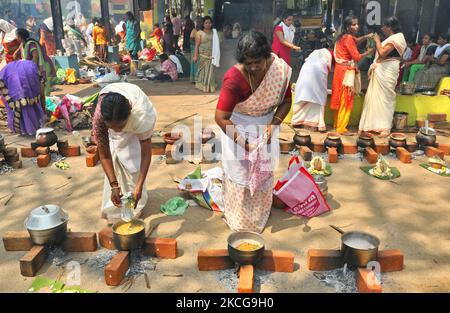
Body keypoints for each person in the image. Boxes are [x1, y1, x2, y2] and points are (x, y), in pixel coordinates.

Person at [215, 31, 292, 233]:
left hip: (267, 128)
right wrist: (246, 145)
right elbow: (221, 117)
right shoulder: (233, 79)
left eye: (258, 61)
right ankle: (239, 218)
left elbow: (286, 101)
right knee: (241, 172)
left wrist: (273, 125)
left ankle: (259, 214)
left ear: (267, 56)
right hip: (238, 130)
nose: (254, 67)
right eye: (248, 63)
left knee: (263, 172)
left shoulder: (279, 70)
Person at [92, 83, 157, 221]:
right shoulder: (99, 119)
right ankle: (117, 201)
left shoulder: (141, 115)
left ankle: (137, 198)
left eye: (120, 126)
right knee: (116, 155)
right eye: (111, 127)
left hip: (135, 114)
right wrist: (114, 186)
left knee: (133, 161)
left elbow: (146, 153)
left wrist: (138, 186)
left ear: (129, 117)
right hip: (116, 116)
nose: (116, 130)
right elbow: (104, 155)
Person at [359, 17, 407, 137]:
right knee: (375, 98)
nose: (382, 28)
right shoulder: (392, 38)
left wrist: (377, 40)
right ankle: (372, 125)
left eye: (384, 26)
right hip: (382, 69)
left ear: (390, 27)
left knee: (386, 98)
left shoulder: (397, 38)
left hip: (388, 70)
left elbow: (382, 53)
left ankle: (384, 127)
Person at [330, 16, 373, 136]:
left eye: (357, 24)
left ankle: (337, 124)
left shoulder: (342, 37)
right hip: (346, 72)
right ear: (348, 26)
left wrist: (366, 37)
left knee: (339, 96)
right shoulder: (349, 38)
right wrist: (368, 52)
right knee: (346, 98)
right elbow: (357, 57)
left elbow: (356, 40)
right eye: (354, 25)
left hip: (339, 70)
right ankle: (342, 128)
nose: (357, 26)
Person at [292, 47, 333, 132]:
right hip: (318, 76)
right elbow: (322, 84)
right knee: (318, 97)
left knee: (304, 94)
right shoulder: (325, 61)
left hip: (304, 82)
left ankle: (298, 121)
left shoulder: (308, 61)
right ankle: (314, 124)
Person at [0, 60, 46, 135]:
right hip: (21, 77)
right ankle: (33, 127)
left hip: (15, 80)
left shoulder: (32, 67)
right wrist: (44, 112)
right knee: (29, 104)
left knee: (20, 104)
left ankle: (24, 130)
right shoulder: (36, 70)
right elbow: (42, 95)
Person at [16, 28, 56, 105]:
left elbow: (35, 56)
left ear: (20, 37)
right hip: (35, 69)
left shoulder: (31, 44)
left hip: (39, 68)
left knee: (41, 92)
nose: (16, 38)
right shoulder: (24, 44)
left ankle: (43, 110)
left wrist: (31, 69)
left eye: (17, 36)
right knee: (36, 91)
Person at [193, 16, 220, 93]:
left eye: (209, 23)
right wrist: (195, 56)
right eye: (206, 23)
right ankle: (203, 86)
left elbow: (217, 44)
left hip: (212, 56)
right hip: (203, 56)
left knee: (211, 73)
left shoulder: (214, 33)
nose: (208, 24)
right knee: (203, 73)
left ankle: (210, 87)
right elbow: (197, 45)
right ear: (203, 24)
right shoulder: (199, 33)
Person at [189, 17, 202, 83]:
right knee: (195, 63)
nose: (199, 23)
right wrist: (197, 44)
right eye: (197, 22)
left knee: (200, 64)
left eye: (200, 22)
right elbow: (191, 40)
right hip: (194, 48)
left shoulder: (203, 31)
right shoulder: (194, 30)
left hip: (201, 49)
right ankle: (194, 79)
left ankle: (200, 78)